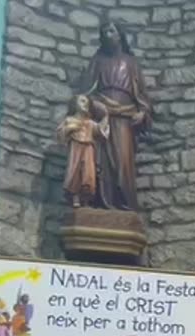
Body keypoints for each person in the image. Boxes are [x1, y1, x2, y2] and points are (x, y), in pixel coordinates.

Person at [78, 19, 151, 210]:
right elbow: (85, 92)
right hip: (100, 116)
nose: (106, 35)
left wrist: (142, 112)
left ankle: (123, 203)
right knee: (99, 161)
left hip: (124, 119)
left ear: (120, 35)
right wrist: (96, 105)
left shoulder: (131, 63)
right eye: (104, 32)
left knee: (122, 161)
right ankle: (100, 202)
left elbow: (141, 95)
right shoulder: (97, 61)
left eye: (111, 31)